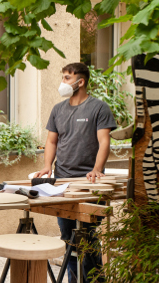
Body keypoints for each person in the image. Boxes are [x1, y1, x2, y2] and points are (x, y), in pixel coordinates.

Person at [34, 63, 117, 283]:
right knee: (68, 238)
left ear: (80, 82)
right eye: (62, 77)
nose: (63, 82)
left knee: (87, 238)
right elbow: (52, 140)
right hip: (63, 182)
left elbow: (104, 141)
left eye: (67, 78)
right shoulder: (58, 109)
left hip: (88, 182)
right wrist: (47, 165)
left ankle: (96, 281)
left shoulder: (98, 108)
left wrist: (97, 169)